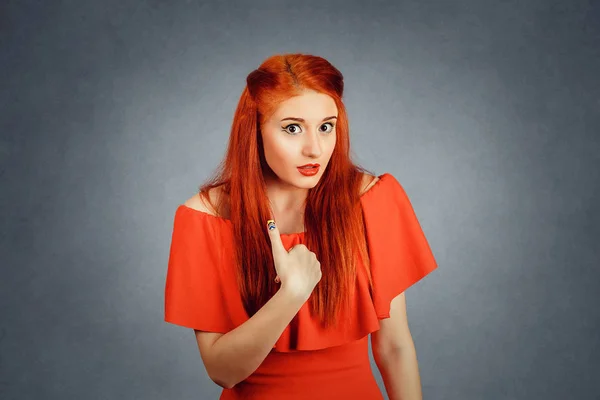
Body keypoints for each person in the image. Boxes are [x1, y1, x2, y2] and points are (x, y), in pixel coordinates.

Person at [164, 53, 438, 400]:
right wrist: (291, 295)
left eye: (326, 126)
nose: (315, 149)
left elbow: (394, 347)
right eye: (292, 128)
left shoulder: (372, 200)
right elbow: (222, 371)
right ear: (255, 129)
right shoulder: (205, 218)